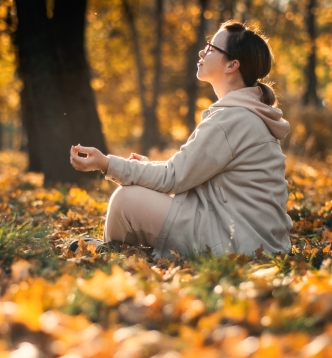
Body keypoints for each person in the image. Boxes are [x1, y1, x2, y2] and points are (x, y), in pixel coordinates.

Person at [69, 21, 292, 258]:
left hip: (239, 244)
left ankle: (112, 254)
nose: (201, 51)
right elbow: (188, 174)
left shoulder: (232, 119)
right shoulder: (242, 114)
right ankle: (120, 250)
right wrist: (142, 168)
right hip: (250, 238)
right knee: (134, 191)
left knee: (126, 200)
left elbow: (173, 177)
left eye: (210, 47)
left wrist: (106, 164)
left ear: (232, 65)